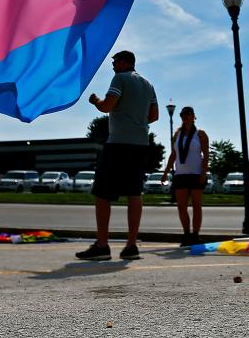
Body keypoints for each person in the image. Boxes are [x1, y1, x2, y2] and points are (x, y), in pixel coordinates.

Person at [76, 51, 158, 261]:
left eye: (115, 62)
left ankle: (102, 245)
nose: (112, 66)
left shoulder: (120, 78)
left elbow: (107, 106)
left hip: (118, 143)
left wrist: (96, 101)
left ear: (124, 62)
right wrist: (137, 120)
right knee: (134, 193)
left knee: (103, 193)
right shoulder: (148, 84)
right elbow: (154, 116)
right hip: (140, 144)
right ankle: (131, 245)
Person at [161, 106, 210, 246]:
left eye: (189, 114)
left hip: (196, 174)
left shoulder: (200, 134)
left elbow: (206, 155)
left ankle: (195, 235)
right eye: (183, 115)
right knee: (181, 207)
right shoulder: (177, 134)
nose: (186, 117)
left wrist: (203, 173)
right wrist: (165, 172)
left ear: (194, 116)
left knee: (196, 206)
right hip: (180, 175)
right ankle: (186, 234)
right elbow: (173, 155)